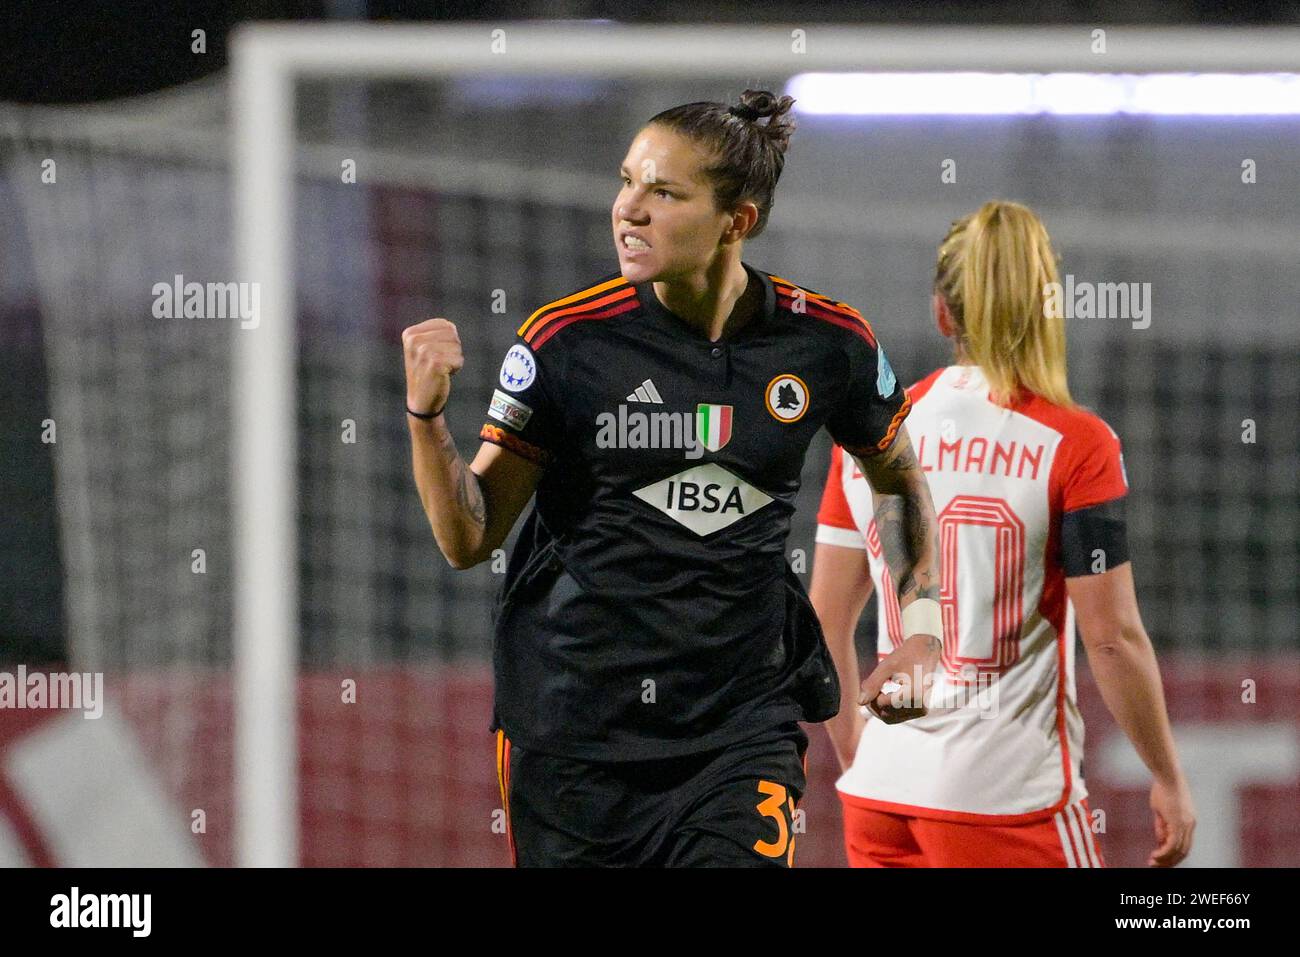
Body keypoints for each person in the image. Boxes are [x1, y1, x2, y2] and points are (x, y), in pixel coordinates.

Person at [402, 90, 943, 867]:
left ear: (737, 221)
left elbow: (897, 480)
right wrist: (426, 420)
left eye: (663, 191)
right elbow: (469, 534)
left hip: (739, 728)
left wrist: (920, 632)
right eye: (627, 182)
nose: (629, 209)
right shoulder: (565, 344)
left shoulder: (828, 343)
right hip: (574, 736)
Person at [811, 200, 1196, 868]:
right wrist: (1168, 775)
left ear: (941, 312)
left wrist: (866, 754)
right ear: (1048, 308)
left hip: (880, 798)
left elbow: (823, 621)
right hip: (1006, 799)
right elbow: (1112, 636)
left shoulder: (872, 433)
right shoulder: (1077, 443)